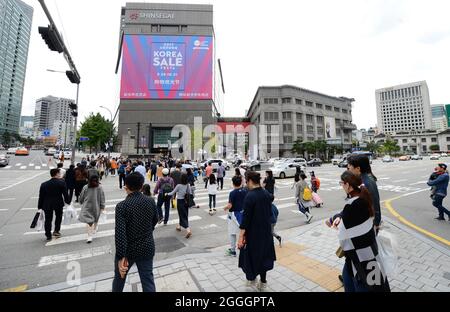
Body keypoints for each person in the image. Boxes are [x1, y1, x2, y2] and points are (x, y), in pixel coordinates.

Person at [326, 171, 391, 292]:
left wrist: (335, 221)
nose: (341, 186)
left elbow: (343, 236)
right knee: (373, 282)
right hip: (368, 251)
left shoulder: (352, 205)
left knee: (369, 285)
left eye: (342, 183)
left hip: (362, 257)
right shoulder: (363, 198)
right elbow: (346, 216)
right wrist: (338, 217)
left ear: (348, 185)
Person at [112, 173, 159, 292]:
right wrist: (147, 231)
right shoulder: (150, 201)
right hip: (147, 246)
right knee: (147, 279)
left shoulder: (122, 206)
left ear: (126, 186)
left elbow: (120, 234)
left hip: (128, 250)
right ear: (141, 185)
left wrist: (121, 256)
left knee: (120, 278)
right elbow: (155, 219)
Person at [237, 171, 276, 291]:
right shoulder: (266, 194)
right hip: (265, 232)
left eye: (246, 181)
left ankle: (252, 280)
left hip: (253, 234)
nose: (245, 183)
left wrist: (241, 237)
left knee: (250, 258)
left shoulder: (250, 196)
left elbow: (246, 219)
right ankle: (263, 282)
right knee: (264, 257)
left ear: (249, 181)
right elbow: (269, 212)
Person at [347, 155, 382, 231]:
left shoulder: (365, 183)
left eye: (350, 166)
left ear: (358, 168)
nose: (348, 168)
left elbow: (374, 203)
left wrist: (376, 222)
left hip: (368, 223)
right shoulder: (365, 179)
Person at [38, 169, 70, 241]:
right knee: (58, 217)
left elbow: (41, 196)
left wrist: (39, 206)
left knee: (48, 219)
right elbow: (65, 194)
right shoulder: (62, 183)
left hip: (47, 204)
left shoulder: (44, 184)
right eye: (59, 173)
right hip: (58, 203)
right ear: (57, 174)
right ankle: (56, 231)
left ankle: (48, 234)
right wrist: (68, 202)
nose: (60, 174)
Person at [224, 176, 247, 257]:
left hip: (234, 214)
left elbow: (230, 205)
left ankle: (233, 250)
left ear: (233, 183)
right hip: (243, 213)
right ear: (241, 182)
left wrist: (225, 207)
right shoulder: (245, 191)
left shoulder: (232, 193)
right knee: (244, 231)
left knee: (232, 232)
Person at [78, 175, 105, 243]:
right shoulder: (100, 187)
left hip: (87, 206)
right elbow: (102, 197)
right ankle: (93, 230)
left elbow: (81, 196)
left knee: (89, 221)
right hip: (96, 206)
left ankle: (89, 236)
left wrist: (80, 201)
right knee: (95, 219)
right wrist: (102, 207)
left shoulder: (86, 187)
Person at [166, 174, 192, 239]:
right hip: (186, 202)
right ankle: (179, 226)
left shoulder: (178, 186)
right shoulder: (188, 185)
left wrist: (167, 194)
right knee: (184, 215)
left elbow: (172, 192)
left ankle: (188, 230)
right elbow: (190, 193)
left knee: (181, 215)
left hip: (180, 202)